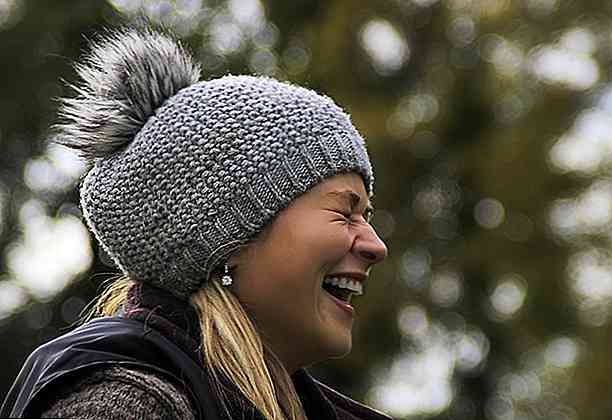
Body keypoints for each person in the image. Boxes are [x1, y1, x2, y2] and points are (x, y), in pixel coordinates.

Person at [0, 26, 391, 420]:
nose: (376, 246)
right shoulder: (127, 406)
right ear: (229, 242)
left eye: (367, 216)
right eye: (345, 213)